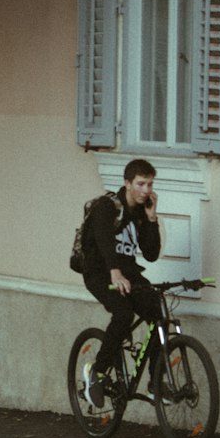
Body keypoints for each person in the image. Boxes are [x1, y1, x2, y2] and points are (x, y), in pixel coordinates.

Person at [80, 159, 162, 407]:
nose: (146, 190)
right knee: (123, 312)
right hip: (99, 272)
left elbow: (150, 254)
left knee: (157, 312)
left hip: (128, 273)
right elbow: (104, 240)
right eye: (141, 184)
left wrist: (151, 219)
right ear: (127, 183)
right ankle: (98, 372)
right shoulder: (108, 206)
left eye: (150, 184)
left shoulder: (140, 212)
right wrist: (114, 272)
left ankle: (157, 381)